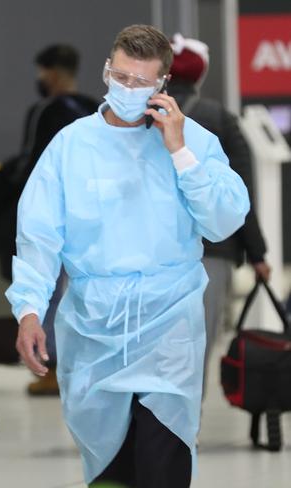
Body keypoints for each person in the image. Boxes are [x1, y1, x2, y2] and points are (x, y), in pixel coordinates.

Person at [7, 24, 250, 488]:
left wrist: (180, 153)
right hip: (93, 331)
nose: (128, 89)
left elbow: (225, 219)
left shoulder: (192, 141)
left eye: (141, 82)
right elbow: (38, 236)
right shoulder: (71, 146)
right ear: (106, 72)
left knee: (164, 461)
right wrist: (29, 310)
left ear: (162, 85)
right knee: (110, 468)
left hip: (169, 328)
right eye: (121, 77)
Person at [0, 45, 99, 395]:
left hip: (54, 217)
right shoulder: (94, 109)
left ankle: (51, 366)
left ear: (53, 73)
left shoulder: (44, 110)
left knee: (47, 292)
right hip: (88, 217)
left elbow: (31, 164)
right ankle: (82, 365)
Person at [167, 33, 270, 395]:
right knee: (199, 342)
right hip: (213, 249)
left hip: (155, 249)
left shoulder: (142, 114)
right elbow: (240, 195)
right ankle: (184, 427)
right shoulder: (219, 117)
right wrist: (257, 253)